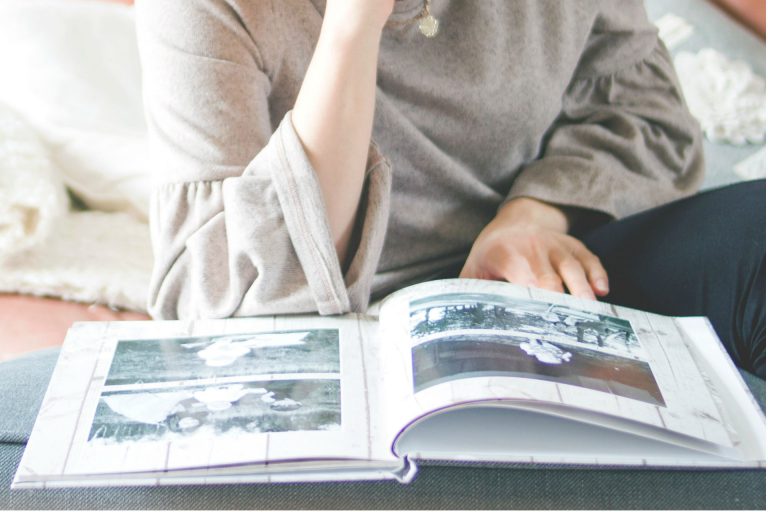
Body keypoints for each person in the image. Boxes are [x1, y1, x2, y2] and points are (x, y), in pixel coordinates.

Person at [135, 0, 765, 377]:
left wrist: (532, 218)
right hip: (349, 341)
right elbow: (223, 308)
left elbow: (642, 107)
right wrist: (356, 24)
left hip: (545, 275)